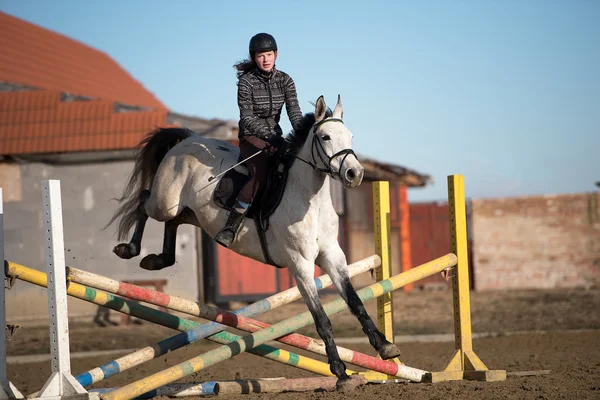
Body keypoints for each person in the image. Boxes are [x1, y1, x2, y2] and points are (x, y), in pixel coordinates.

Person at [214, 32, 304, 248]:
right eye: (260, 55)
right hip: (251, 138)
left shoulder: (286, 80)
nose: (265, 59)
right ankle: (230, 227)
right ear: (254, 58)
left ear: (276, 55)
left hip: (276, 137)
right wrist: (270, 137)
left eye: (269, 54)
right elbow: (246, 118)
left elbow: (294, 111)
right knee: (261, 174)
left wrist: (301, 134)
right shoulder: (246, 82)